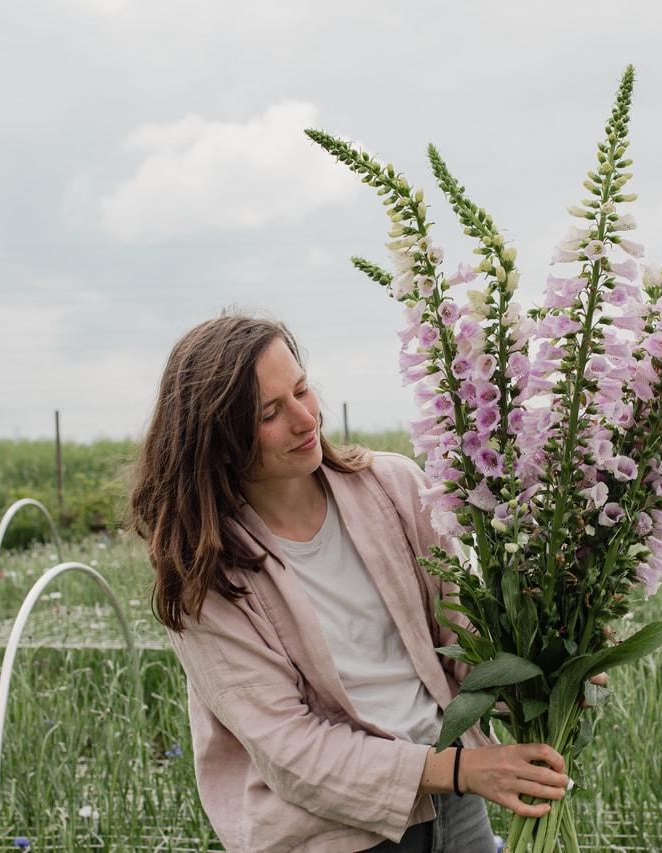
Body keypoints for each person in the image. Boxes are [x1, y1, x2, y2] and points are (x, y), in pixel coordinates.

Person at [129, 312, 570, 853]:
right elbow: (291, 751)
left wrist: (548, 671)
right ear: (219, 444)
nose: (304, 418)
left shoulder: (395, 487)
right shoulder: (206, 576)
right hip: (330, 831)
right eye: (270, 413)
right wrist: (458, 769)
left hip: (459, 806)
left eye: (301, 389)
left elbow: (465, 645)